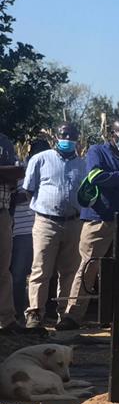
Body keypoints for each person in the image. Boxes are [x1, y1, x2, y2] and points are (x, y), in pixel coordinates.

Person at [66, 118, 119, 330]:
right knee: (88, 266)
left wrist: (115, 180)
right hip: (98, 218)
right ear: (112, 134)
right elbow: (95, 176)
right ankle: (73, 315)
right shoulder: (96, 152)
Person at [22, 125, 85, 332]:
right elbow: (29, 191)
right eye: (64, 135)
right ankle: (35, 314)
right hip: (46, 222)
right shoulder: (40, 159)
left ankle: (64, 315)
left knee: (69, 272)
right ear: (56, 137)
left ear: (77, 139)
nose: (68, 139)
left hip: (74, 222)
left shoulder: (82, 164)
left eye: (72, 136)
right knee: (40, 269)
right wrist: (44, 211)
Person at [11, 139, 51, 325]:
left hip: (38, 228)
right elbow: (15, 195)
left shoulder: (51, 171)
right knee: (17, 274)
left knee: (40, 272)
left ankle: (37, 311)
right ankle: (16, 311)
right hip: (19, 228)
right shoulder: (20, 170)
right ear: (30, 154)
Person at [0, 131, 28, 333]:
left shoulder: (4, 141)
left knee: (3, 270)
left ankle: (6, 319)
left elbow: (17, 174)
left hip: (2, 213)